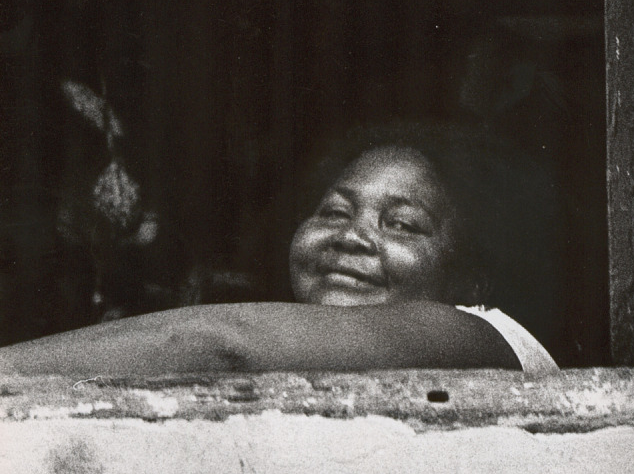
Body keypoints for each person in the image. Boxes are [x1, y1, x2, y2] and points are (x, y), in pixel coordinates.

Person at [0, 123, 560, 377]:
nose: (352, 235)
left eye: (403, 225)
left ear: (474, 280)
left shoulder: (489, 336)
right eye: (334, 212)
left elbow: (222, 344)